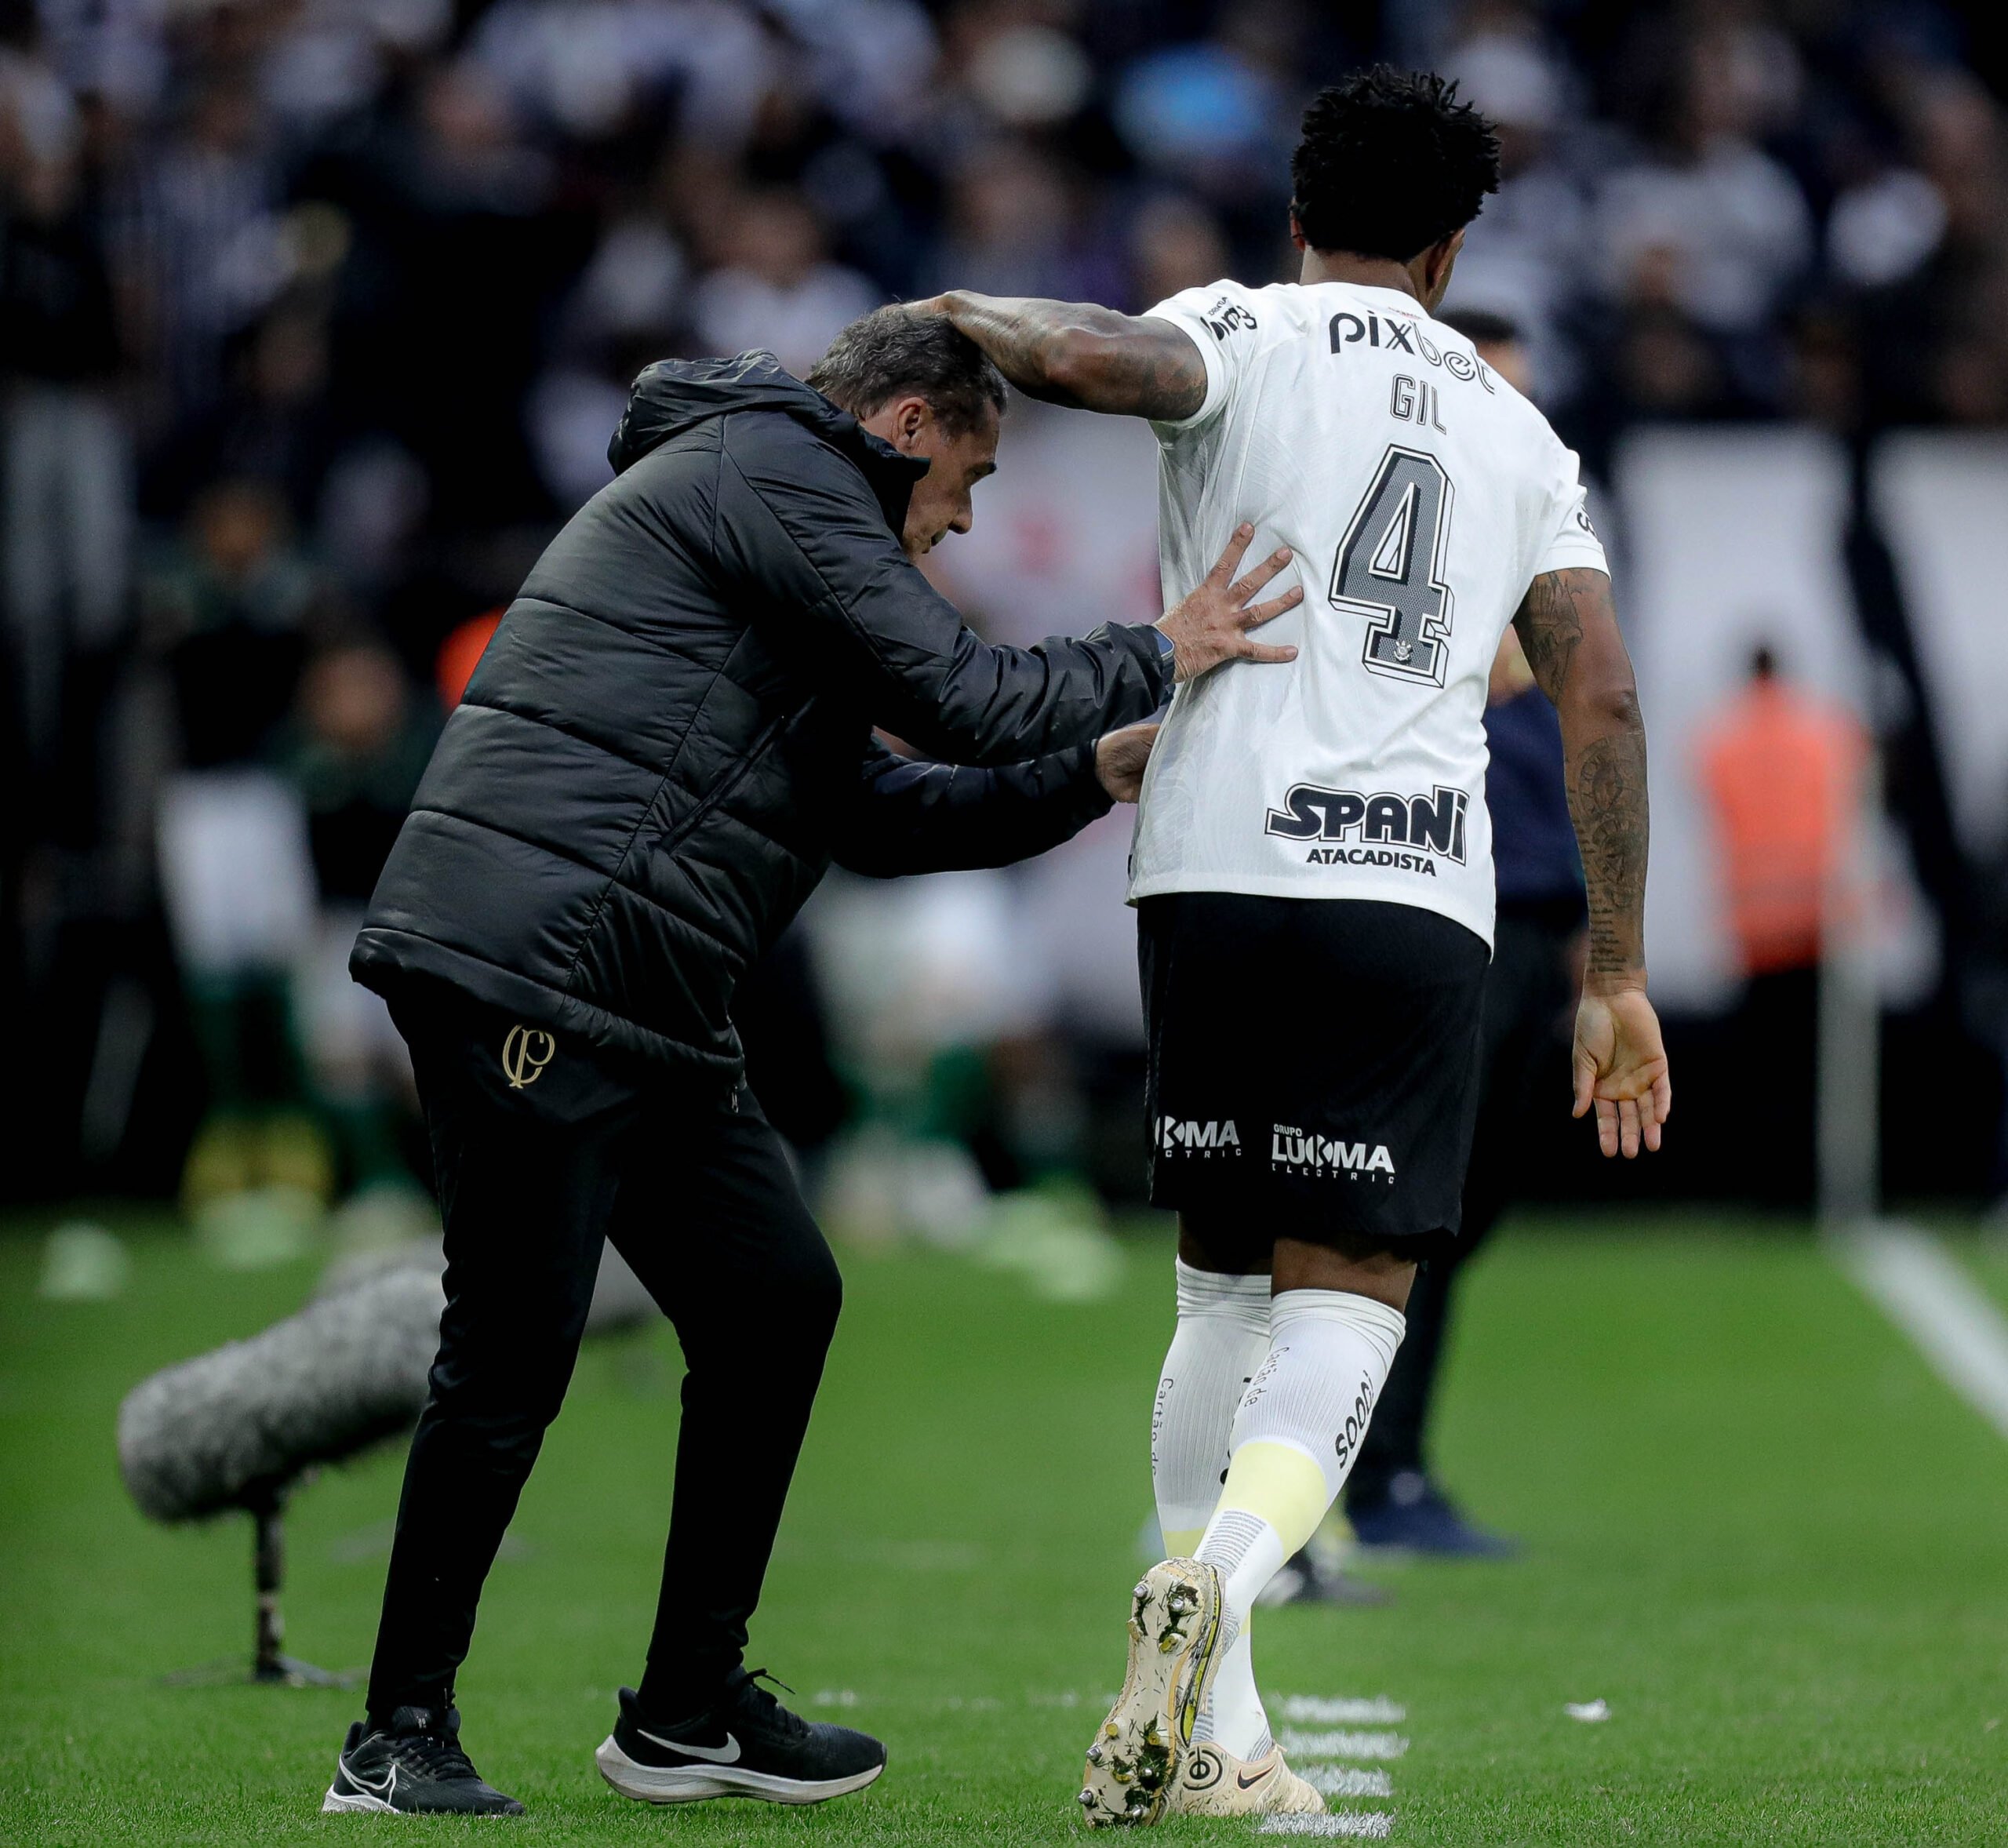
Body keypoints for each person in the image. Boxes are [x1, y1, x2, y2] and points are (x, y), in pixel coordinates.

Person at [319, 309, 1301, 1817]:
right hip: (541, 957)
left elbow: (880, 812)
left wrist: (1093, 772)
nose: (961, 522)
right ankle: (394, 1736)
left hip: (639, 989)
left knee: (777, 1299)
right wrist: (1155, 652)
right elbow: (958, 697)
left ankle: (687, 1713)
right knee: (513, 1348)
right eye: (963, 481)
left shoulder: (776, 512)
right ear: (905, 427)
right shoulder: (776, 469)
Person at [924, 66, 1672, 1824]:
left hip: (1203, 869)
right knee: (1350, 1303)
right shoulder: (1509, 425)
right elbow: (1602, 691)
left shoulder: (1236, 327)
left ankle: (1219, 1726)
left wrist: (946, 305)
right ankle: (1224, 1587)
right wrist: (1615, 969)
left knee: (1216, 1287)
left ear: (1292, 215)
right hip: (1405, 894)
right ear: (1451, 242)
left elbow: (1091, 360)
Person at [1338, 308, 1589, 1558]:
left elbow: (1567, 747)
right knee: (1411, 1209)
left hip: (1535, 912)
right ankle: (1372, 1479)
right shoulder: (1431, 530)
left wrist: (1597, 928)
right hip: (1450, 901)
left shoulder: (1542, 517)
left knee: (1458, 1216)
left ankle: (1377, 1468)